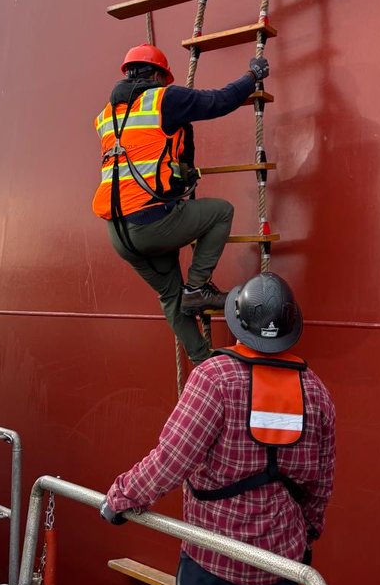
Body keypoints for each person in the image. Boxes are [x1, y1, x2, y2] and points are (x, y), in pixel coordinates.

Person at [101, 273, 336, 585]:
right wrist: (305, 538)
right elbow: (321, 484)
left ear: (238, 323)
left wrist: (120, 499)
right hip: (280, 569)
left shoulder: (214, 379)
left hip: (214, 565)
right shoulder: (316, 392)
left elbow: (171, 460)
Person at [92, 43, 270, 366]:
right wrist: (252, 76)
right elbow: (218, 101)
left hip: (118, 234)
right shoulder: (164, 99)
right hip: (151, 223)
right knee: (221, 212)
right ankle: (198, 287)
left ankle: (203, 362)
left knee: (170, 297)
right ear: (157, 75)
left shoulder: (107, 115)